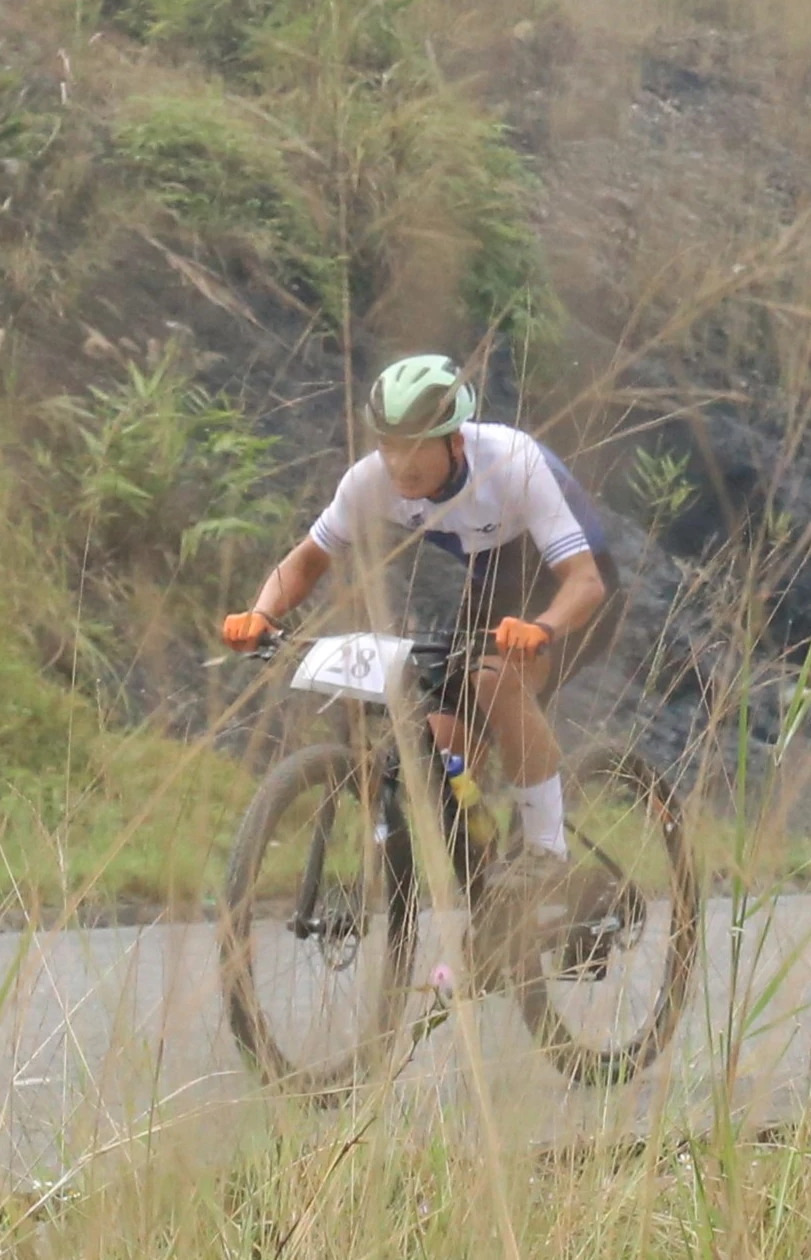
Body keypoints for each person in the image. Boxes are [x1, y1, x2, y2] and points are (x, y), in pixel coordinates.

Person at [221, 353, 622, 898]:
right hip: (495, 593)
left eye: (414, 447)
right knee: (443, 751)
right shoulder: (370, 481)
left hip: (573, 596)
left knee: (493, 680)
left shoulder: (513, 461)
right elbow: (307, 560)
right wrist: (261, 613)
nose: (399, 464)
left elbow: (586, 582)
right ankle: (495, 913)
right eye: (387, 445)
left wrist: (543, 629)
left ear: (455, 441)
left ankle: (547, 850)